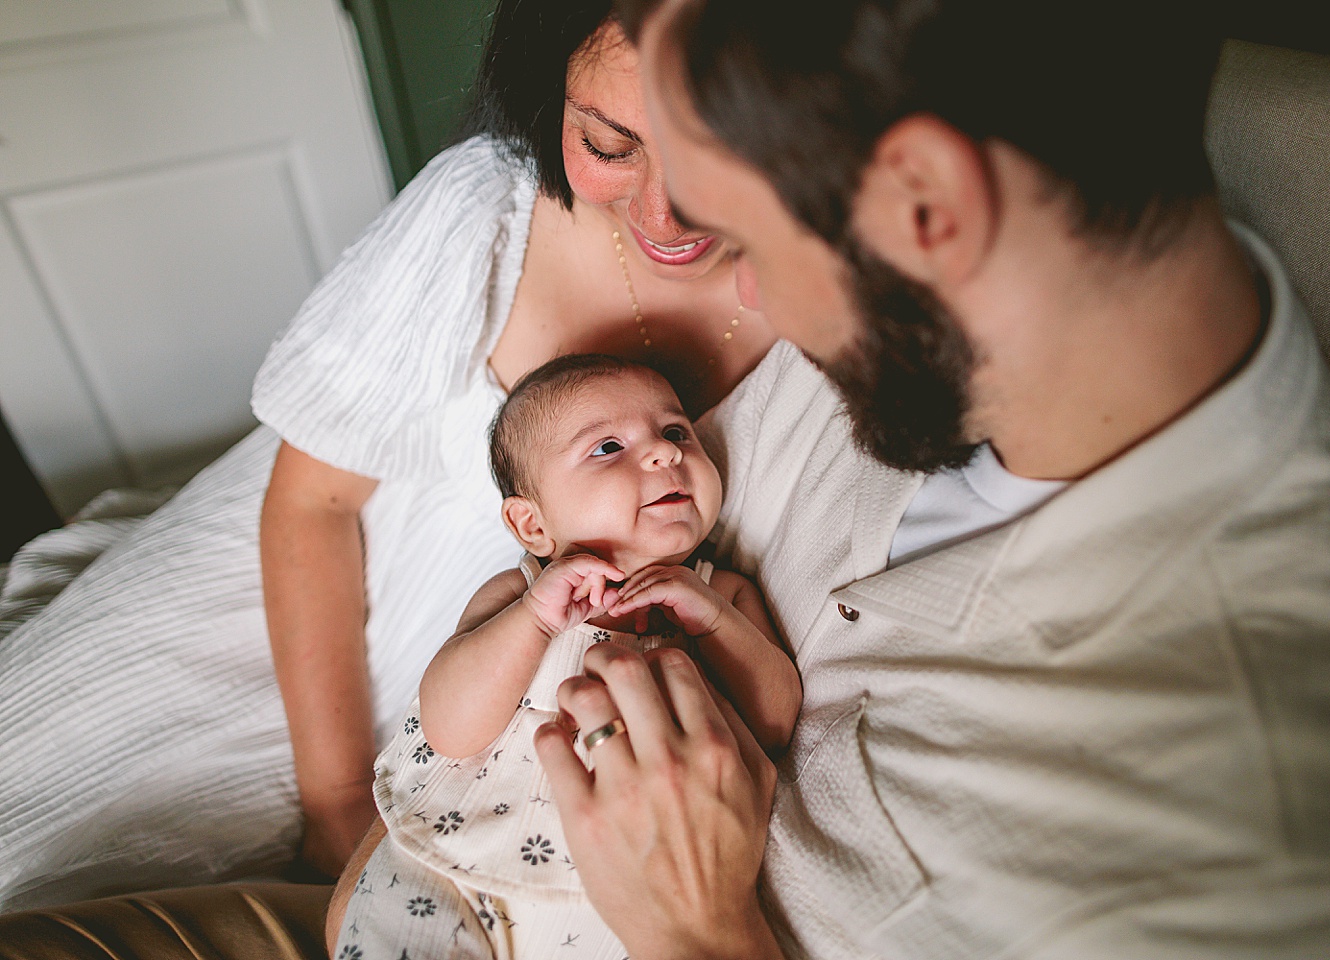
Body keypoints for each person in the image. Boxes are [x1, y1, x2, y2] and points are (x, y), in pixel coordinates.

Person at [511, 3, 1330, 958]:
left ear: (926, 207)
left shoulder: (1259, 872)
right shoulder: (925, 345)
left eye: (744, 238)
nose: (751, 298)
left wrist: (699, 934)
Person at [0, 0, 774, 911]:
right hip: (270, 603)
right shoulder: (487, 213)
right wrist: (334, 803)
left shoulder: (831, 307)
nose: (663, 210)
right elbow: (310, 504)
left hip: (459, 751)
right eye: (609, 145)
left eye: (720, 152)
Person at [327, 354, 799, 960]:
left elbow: (774, 724)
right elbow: (448, 728)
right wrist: (533, 620)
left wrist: (711, 619)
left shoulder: (723, 594)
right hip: (451, 866)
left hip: (625, 892)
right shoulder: (515, 596)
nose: (664, 454)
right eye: (607, 448)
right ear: (532, 524)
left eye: (676, 432)